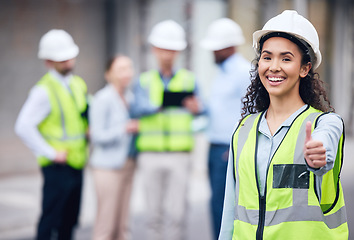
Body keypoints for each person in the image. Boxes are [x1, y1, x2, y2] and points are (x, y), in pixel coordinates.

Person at [219, 10, 348, 239]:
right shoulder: (244, 129)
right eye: (267, 57)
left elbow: (324, 146)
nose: (274, 66)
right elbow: (231, 209)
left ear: (304, 68)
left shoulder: (325, 123)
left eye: (286, 58)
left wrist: (319, 156)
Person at [131, 20, 202, 240]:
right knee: (153, 214)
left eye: (172, 50)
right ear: (154, 50)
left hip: (179, 155)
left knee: (178, 213)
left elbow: (203, 109)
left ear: (178, 52)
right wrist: (158, 106)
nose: (167, 54)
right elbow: (135, 108)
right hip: (150, 154)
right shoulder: (143, 81)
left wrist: (197, 108)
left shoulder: (190, 80)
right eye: (163, 49)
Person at [15, 29, 89, 240]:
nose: (67, 62)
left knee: (69, 221)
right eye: (61, 59)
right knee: (50, 219)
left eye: (69, 57)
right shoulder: (43, 91)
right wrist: (50, 152)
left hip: (77, 163)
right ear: (48, 61)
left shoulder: (77, 84)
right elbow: (23, 126)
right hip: (57, 167)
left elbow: (82, 115)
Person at [200, 18, 250, 240]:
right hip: (214, 147)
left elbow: (251, 112)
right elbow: (222, 109)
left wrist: (236, 148)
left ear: (229, 46)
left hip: (227, 149)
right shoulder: (221, 72)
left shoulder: (244, 72)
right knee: (215, 204)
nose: (212, 52)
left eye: (215, 48)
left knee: (224, 207)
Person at [89, 55, 139, 240]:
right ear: (109, 74)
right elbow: (97, 135)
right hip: (107, 168)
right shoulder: (103, 99)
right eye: (121, 69)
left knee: (123, 226)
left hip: (128, 165)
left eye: (129, 68)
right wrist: (124, 128)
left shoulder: (130, 97)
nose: (126, 73)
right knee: (106, 226)